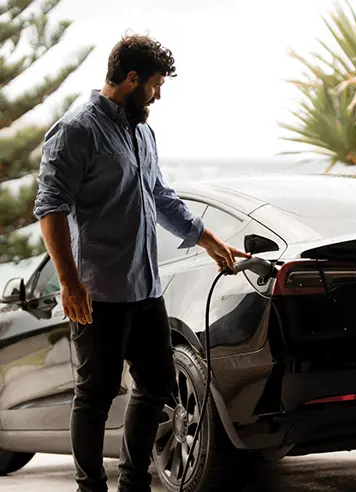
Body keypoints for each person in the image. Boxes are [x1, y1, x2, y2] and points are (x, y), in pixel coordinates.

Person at [33, 33, 249, 492]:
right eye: (155, 84)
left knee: (157, 386)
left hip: (146, 288)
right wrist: (70, 284)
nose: (158, 94)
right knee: (95, 395)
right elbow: (50, 208)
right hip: (98, 293)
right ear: (131, 79)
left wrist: (208, 240)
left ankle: (134, 484)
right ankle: (90, 487)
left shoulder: (142, 132)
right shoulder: (76, 131)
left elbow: (160, 197)